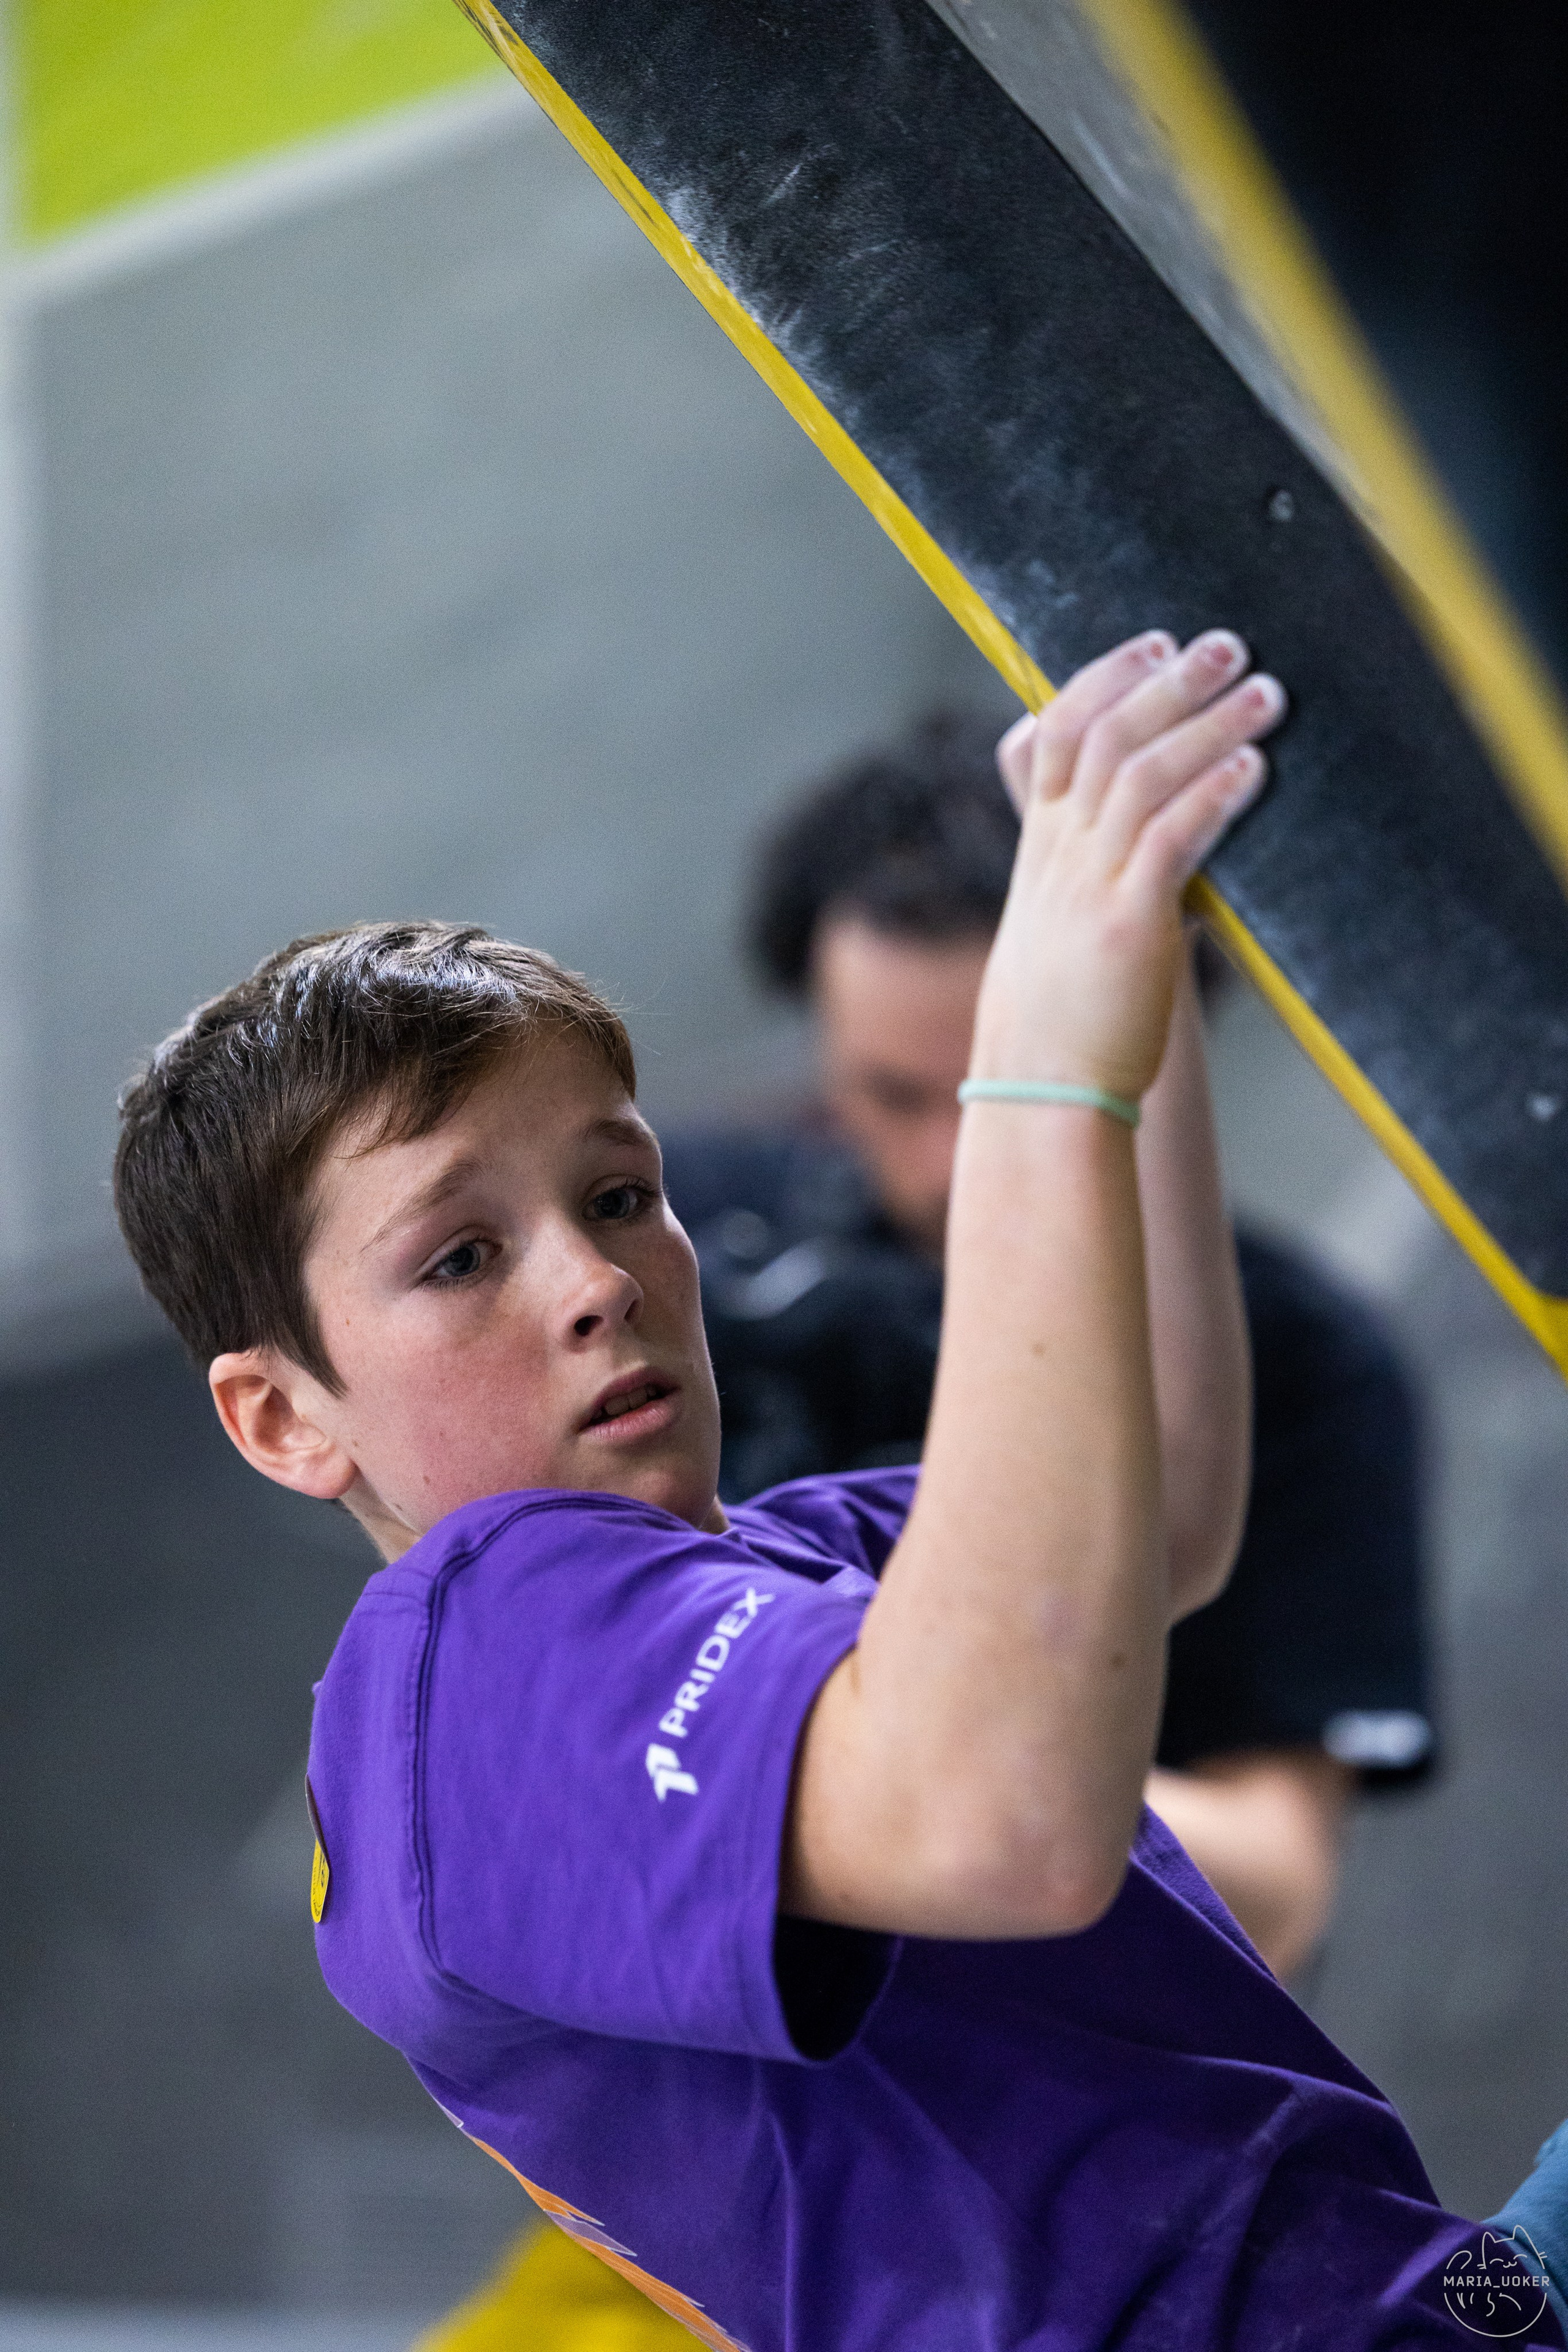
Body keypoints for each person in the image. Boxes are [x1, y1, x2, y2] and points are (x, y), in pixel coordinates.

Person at [113, 630, 1565, 2350]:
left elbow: (1150, 1496)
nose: (595, 1280)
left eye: (617, 1194)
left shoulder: (789, 1559)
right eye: (460, 1257)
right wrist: (1034, 1071)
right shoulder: (462, 1670)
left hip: (1444, 2306)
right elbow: (1000, 1820)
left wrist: (1125, 973)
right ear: (285, 1421)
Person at [660, 707, 1434, 1986]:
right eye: (891, 1094)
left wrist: (946, 1755)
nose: (957, 1168)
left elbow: (1284, 1888)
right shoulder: (668, 1235)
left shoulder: (1304, 1365)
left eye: (998, 1087)